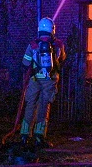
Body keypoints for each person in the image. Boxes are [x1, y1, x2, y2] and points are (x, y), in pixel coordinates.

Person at [19, 17, 66, 152]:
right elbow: (62, 59)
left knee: (30, 105)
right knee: (44, 107)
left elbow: (25, 63)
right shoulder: (58, 44)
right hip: (50, 80)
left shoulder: (33, 45)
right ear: (52, 29)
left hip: (34, 80)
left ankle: (24, 136)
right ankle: (39, 137)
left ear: (39, 29)